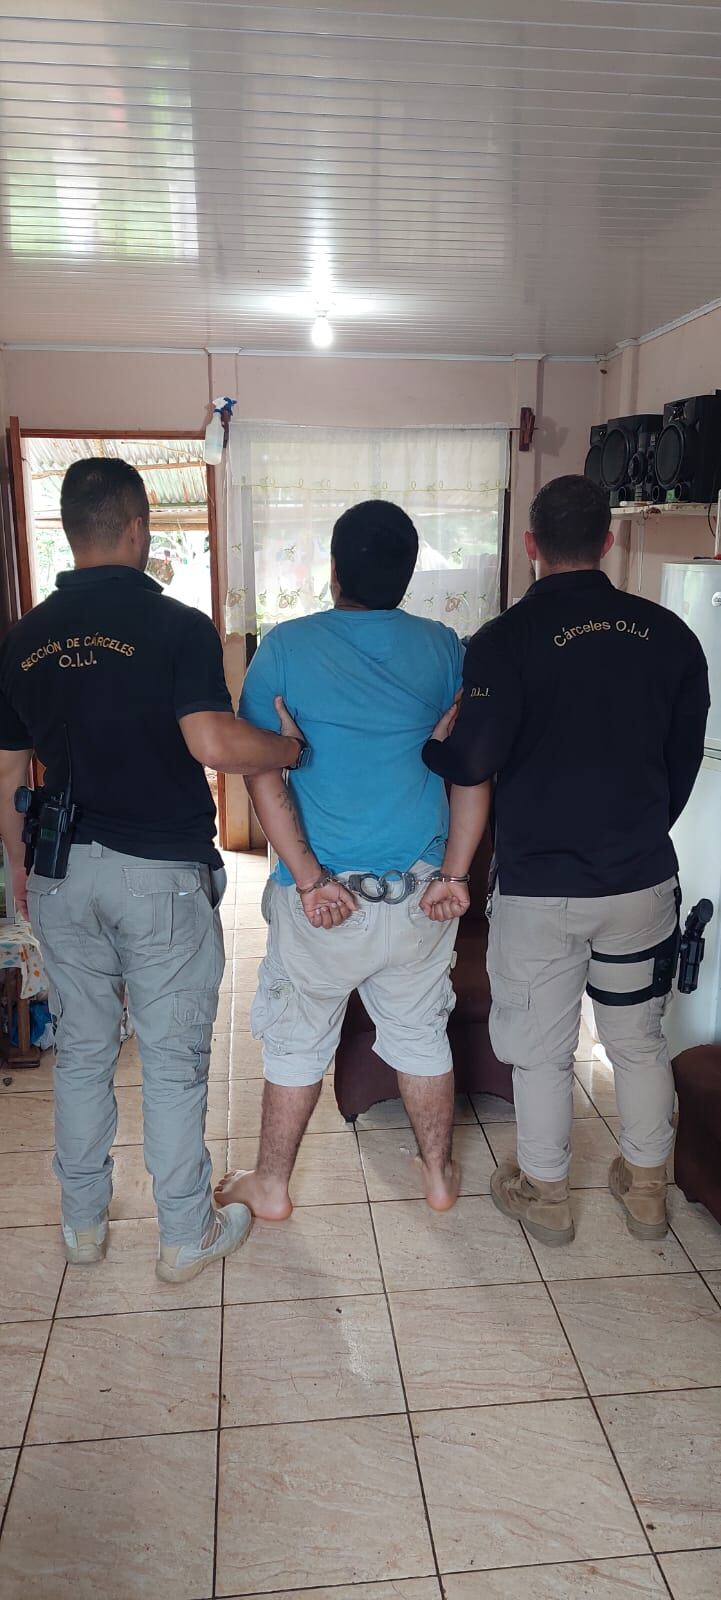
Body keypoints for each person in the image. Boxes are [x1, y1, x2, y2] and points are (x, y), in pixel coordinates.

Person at [0, 457, 305, 1282]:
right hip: (159, 874)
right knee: (171, 1060)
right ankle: (183, 1235)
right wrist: (286, 750)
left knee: (84, 1051)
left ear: (71, 531)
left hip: (61, 868)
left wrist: (21, 868)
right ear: (138, 527)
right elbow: (211, 741)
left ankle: (82, 1227)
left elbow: (7, 774)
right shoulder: (176, 625)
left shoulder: (23, 639)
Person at [424, 474, 709, 1246]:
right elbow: (683, 760)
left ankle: (545, 1196)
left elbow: (471, 761)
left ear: (530, 544)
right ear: (607, 542)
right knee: (636, 1041)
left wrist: (435, 745)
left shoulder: (504, 640)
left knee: (541, 1053)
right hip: (639, 881)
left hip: (540, 889)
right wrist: (637, 828)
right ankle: (645, 1191)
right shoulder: (671, 636)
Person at [215, 500, 490, 1221]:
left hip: (324, 900)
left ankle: (271, 1185)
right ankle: (437, 1175)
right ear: (408, 575)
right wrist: (455, 875)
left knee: (297, 1039)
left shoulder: (285, 647)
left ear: (333, 569)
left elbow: (261, 773)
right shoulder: (443, 648)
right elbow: (469, 768)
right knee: (419, 1035)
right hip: (420, 894)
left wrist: (309, 881)